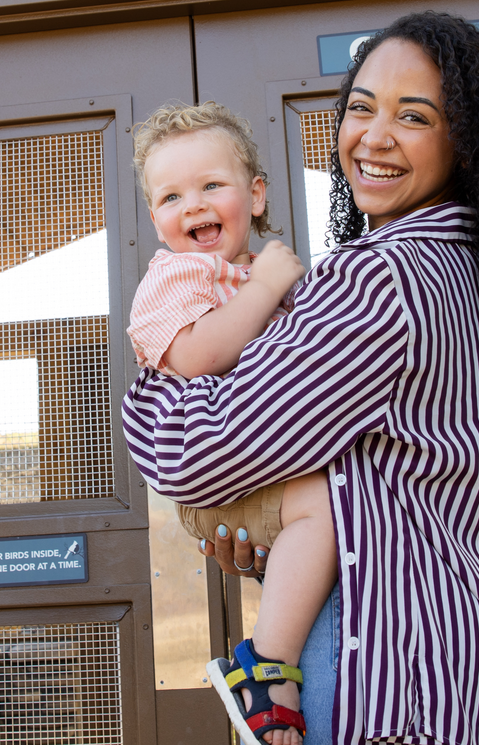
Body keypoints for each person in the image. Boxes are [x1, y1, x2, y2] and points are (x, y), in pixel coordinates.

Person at [124, 11, 479, 745]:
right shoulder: (468, 271)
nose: (374, 136)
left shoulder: (384, 279)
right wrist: (279, 547)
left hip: (388, 677)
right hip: (465, 669)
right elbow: (394, 488)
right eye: (360, 107)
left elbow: (196, 456)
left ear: (468, 143)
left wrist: (155, 379)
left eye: (413, 116)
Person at [126, 101, 337, 745]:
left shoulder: (242, 274)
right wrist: (267, 286)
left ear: (257, 194)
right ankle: (265, 671)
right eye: (170, 195)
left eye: (211, 185)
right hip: (217, 482)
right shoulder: (175, 276)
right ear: (156, 219)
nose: (192, 205)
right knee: (324, 507)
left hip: (256, 476)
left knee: (325, 509)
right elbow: (196, 356)